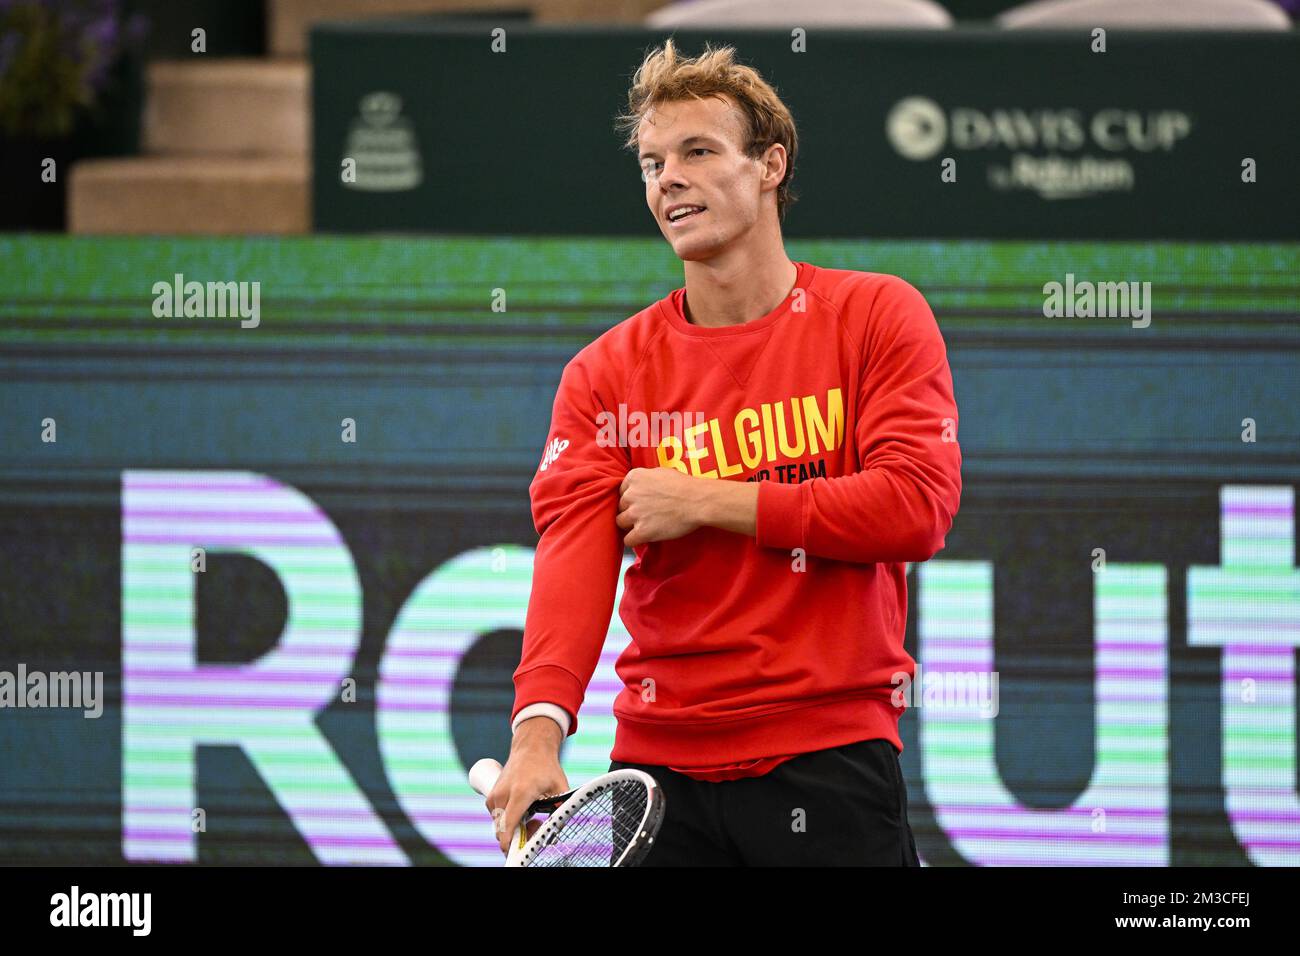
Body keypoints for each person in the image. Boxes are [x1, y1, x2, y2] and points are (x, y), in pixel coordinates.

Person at [483, 38, 962, 865]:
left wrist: (707, 500)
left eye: (698, 152)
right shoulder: (602, 373)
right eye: (651, 162)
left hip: (831, 758)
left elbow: (914, 507)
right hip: (659, 775)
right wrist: (537, 731)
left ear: (770, 165)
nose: (668, 177)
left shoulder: (878, 315)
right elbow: (572, 557)